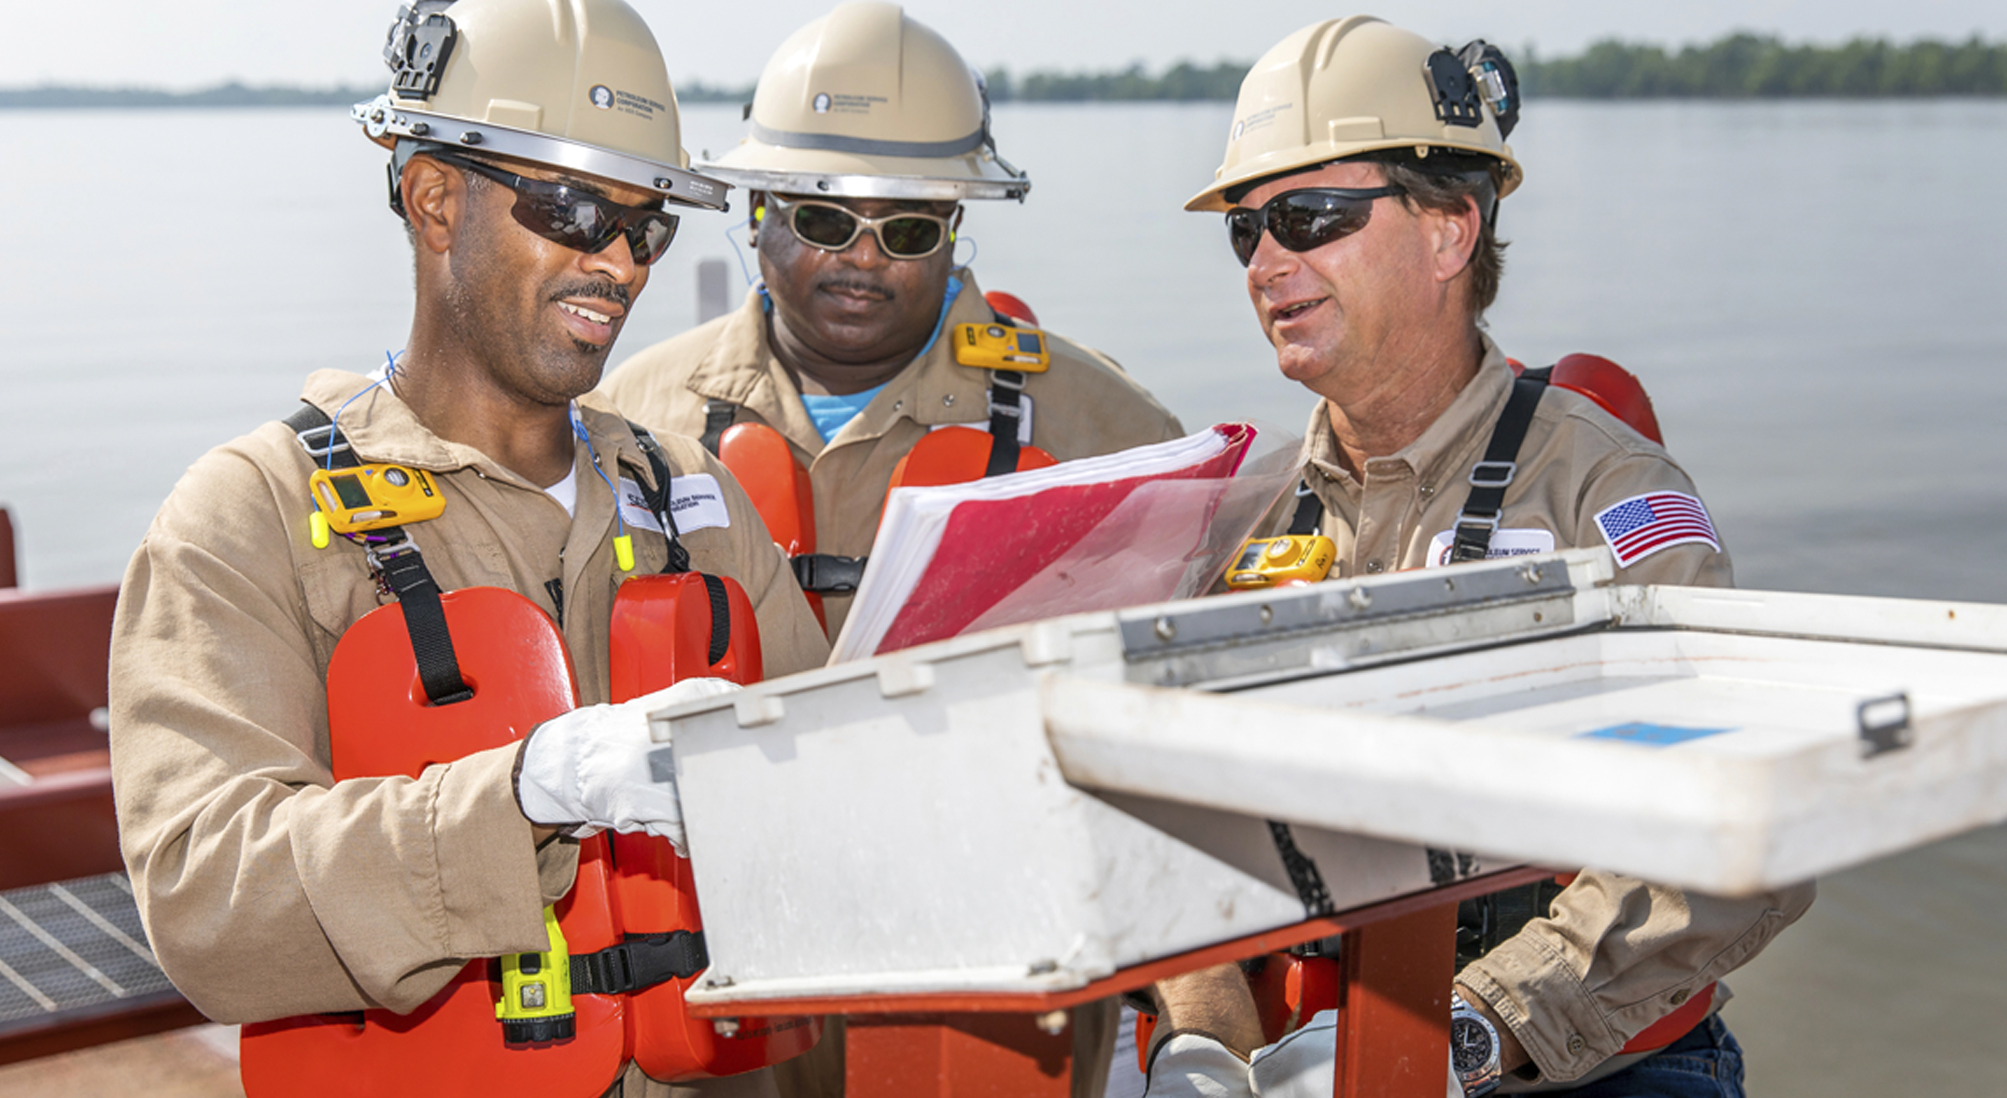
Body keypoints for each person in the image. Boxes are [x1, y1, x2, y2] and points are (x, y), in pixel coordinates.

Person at [107, 2, 827, 1096]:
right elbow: (207, 901)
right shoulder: (246, 515)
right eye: (577, 209)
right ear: (435, 199)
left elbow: (838, 785)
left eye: (650, 226)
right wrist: (530, 793)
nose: (622, 264)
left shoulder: (697, 497)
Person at [1154, 16, 1814, 1097]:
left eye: (1308, 217)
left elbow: (1742, 830)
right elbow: (1166, 813)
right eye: (1247, 230)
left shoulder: (1608, 497)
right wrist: (1201, 1035)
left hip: (1583, 1067)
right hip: (1310, 1061)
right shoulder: (1241, 515)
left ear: (1451, 230)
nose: (1266, 262)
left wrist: (1476, 1028)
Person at [594, 0, 1183, 649]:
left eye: (907, 230)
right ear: (760, 210)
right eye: (826, 221)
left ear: (953, 230)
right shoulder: (630, 413)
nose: (864, 256)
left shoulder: (1111, 429)